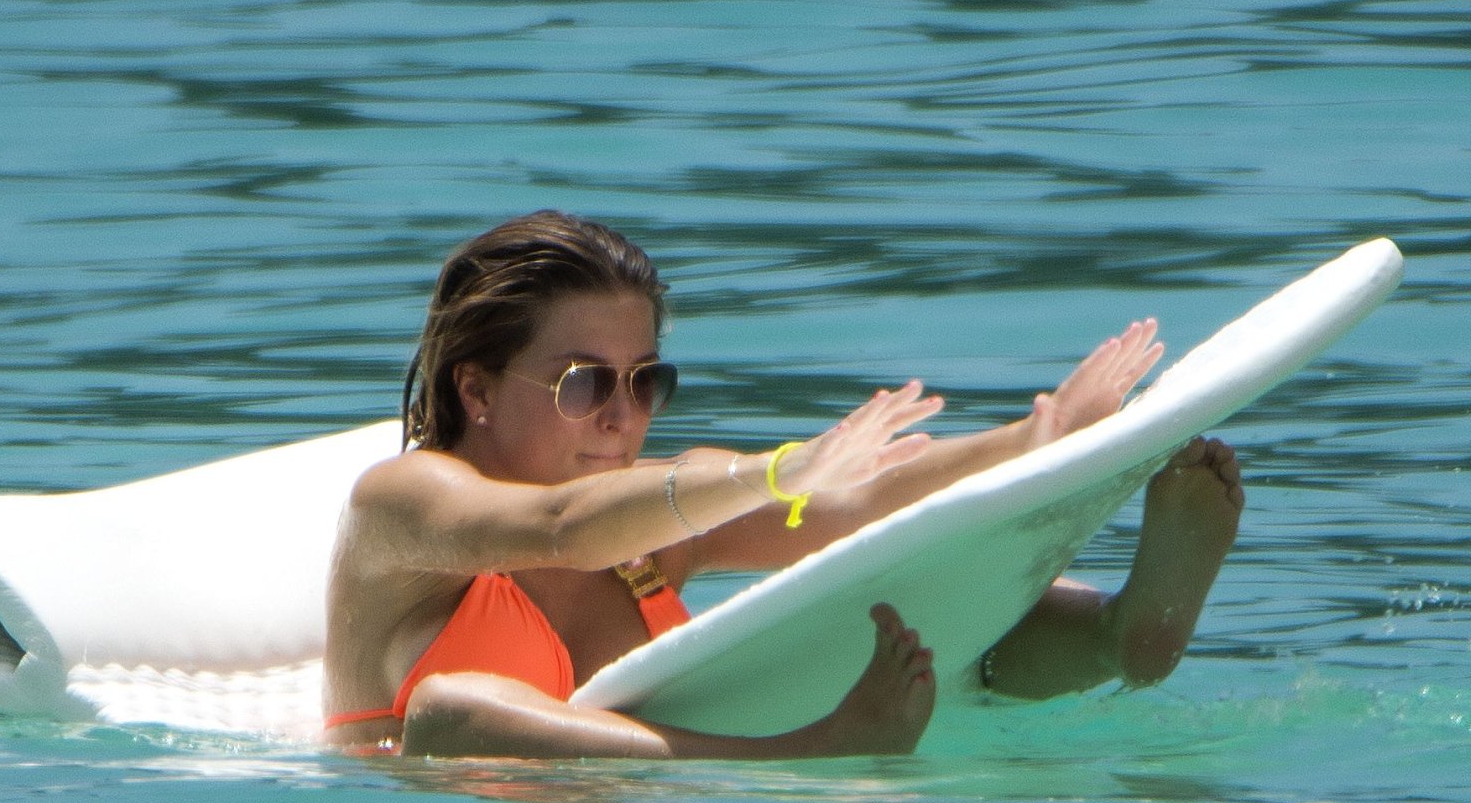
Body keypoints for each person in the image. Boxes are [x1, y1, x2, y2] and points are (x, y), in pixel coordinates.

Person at [321, 211, 1244, 758]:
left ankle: (1127, 633)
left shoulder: (650, 519)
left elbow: (854, 509)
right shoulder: (401, 505)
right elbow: (559, 526)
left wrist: (1035, 437)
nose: (623, 416)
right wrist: (771, 472)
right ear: (476, 390)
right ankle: (809, 749)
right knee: (451, 711)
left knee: (916, 598)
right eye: (584, 384)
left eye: (645, 381)